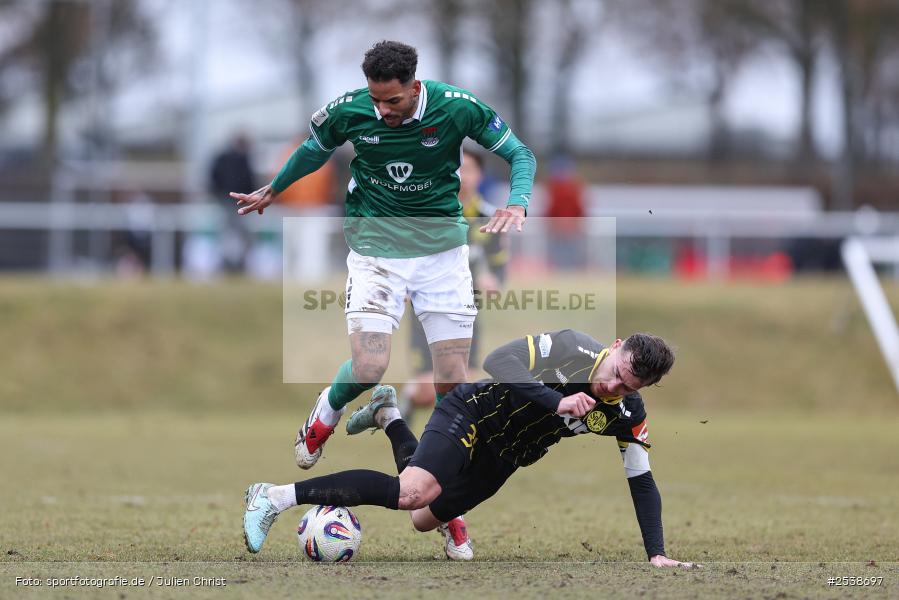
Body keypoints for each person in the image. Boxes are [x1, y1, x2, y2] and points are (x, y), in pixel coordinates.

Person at [231, 41, 536, 558]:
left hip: (442, 257)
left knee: (453, 391)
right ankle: (324, 415)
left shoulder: (456, 106)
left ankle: (448, 511)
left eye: (391, 101)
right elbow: (313, 148)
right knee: (372, 363)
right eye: (376, 100)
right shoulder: (352, 108)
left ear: (414, 88)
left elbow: (520, 153)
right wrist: (274, 188)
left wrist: (519, 203)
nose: (382, 110)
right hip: (375, 248)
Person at [243, 329, 697, 568]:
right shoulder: (571, 346)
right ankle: (275, 495)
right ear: (615, 348)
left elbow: (641, 479)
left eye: (626, 385)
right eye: (616, 370)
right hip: (473, 412)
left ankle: (389, 416)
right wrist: (556, 400)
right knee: (412, 493)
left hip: (504, 459)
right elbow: (499, 360)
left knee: (423, 519)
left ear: (643, 388)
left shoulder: (627, 413)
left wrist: (656, 553)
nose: (611, 384)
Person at [400, 148, 508, 422]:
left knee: (462, 385)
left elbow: (499, 266)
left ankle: (444, 441)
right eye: (458, 169)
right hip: (426, 311)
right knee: (428, 387)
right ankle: (409, 399)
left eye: (469, 169)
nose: (463, 176)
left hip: (467, 314)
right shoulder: (431, 213)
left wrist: (493, 279)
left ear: (480, 174)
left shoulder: (488, 218)